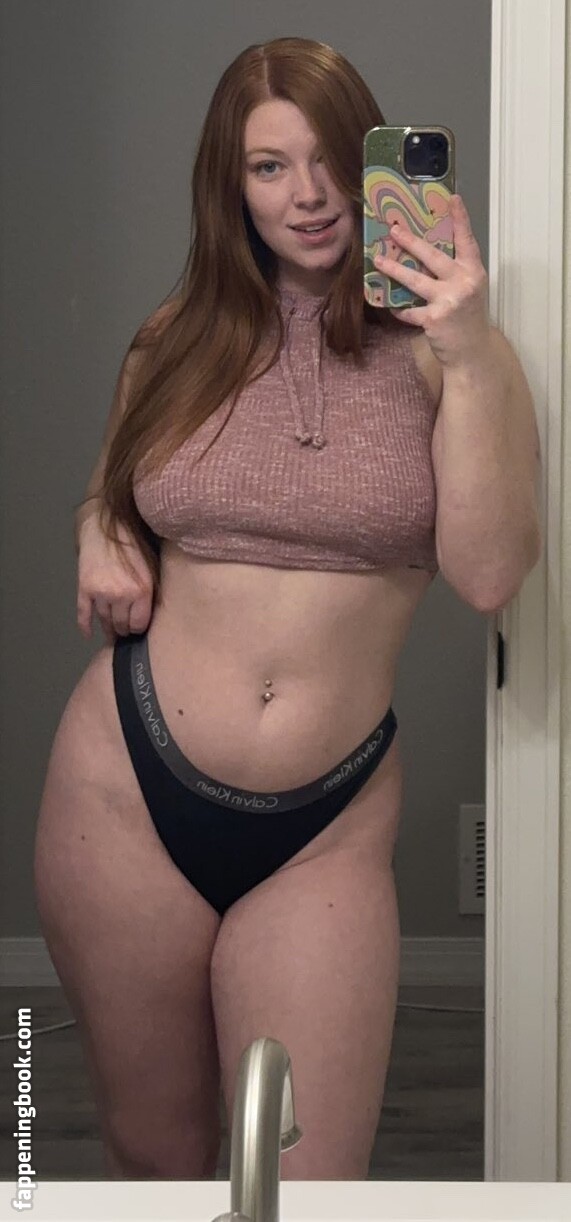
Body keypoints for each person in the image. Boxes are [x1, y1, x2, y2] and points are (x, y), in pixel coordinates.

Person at [33, 36, 541, 1182]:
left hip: (324, 822)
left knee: (302, 1181)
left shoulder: (450, 356)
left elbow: (490, 573)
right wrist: (95, 527)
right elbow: (114, 497)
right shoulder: (171, 341)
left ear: (372, 166)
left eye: (328, 161)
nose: (306, 196)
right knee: (155, 1155)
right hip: (123, 789)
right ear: (231, 185)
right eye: (268, 167)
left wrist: (467, 347)